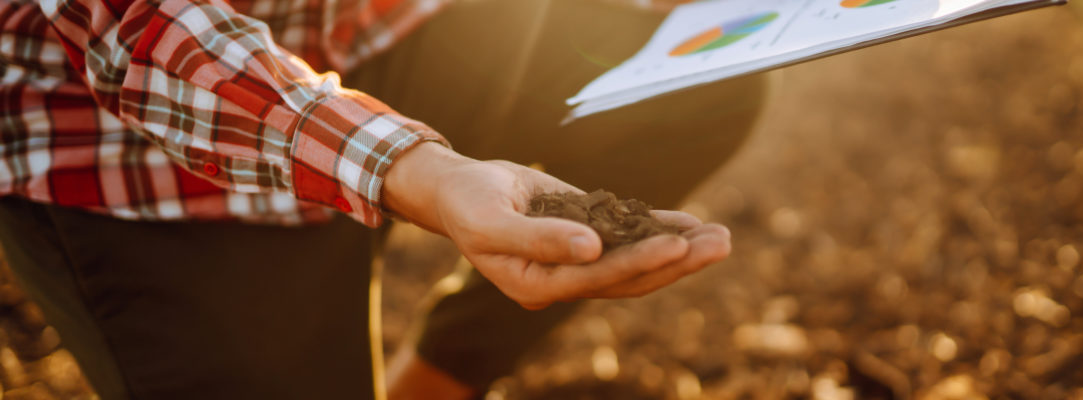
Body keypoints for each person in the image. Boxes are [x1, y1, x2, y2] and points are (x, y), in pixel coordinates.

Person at [0, 0, 766, 399]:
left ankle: (434, 384)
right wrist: (412, 167)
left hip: (375, 30)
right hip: (138, 144)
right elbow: (138, 27)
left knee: (696, 81)